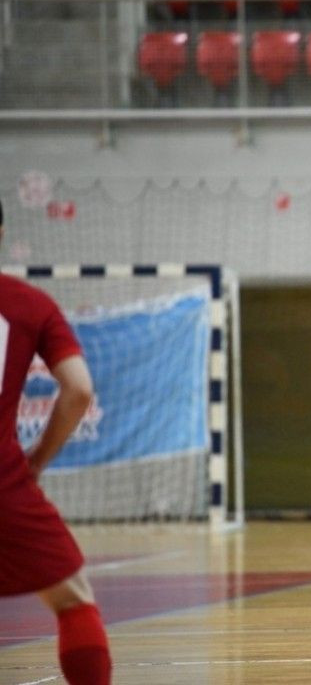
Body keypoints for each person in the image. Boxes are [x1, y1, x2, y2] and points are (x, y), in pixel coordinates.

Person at [0, 200, 113, 685]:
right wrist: (37, 461)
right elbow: (79, 389)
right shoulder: (28, 304)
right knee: (73, 600)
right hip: (3, 486)